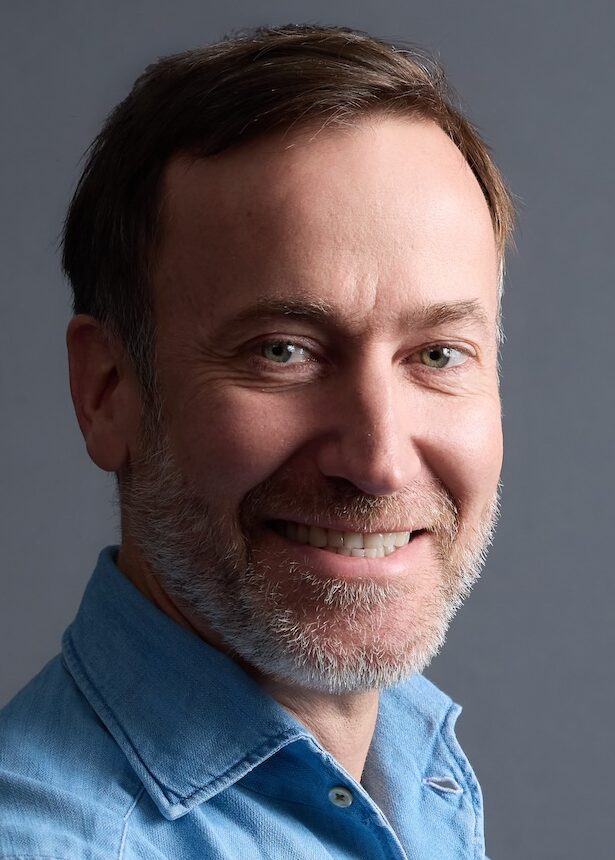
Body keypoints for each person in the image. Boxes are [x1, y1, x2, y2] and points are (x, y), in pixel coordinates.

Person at [0, 23, 513, 859]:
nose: (378, 458)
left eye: (436, 355)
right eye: (283, 351)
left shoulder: (413, 772)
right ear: (106, 393)